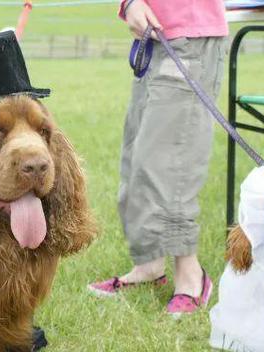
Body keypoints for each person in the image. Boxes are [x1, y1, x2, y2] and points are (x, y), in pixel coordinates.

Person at [87, 0, 229, 316]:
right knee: (136, 160)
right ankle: (148, 267)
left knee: (169, 163)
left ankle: (192, 277)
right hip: (151, 39)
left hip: (190, 37)